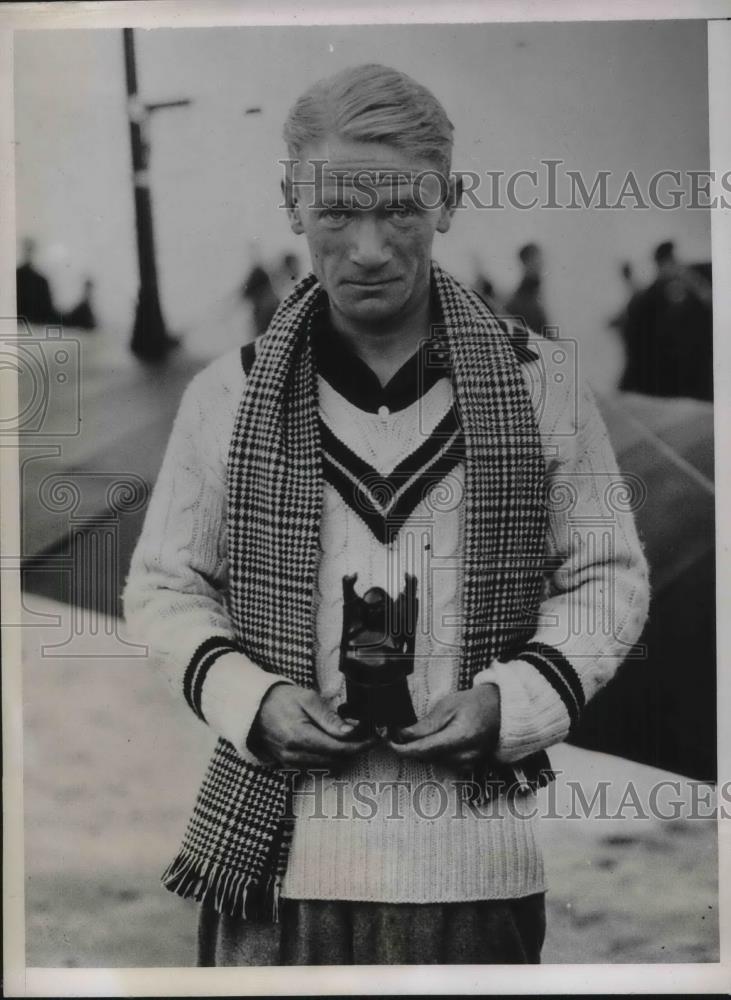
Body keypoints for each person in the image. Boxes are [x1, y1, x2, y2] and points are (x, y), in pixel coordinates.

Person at [123, 64, 649, 966]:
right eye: (335, 212)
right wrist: (251, 699)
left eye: (399, 209)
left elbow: (605, 577)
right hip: (277, 869)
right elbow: (165, 585)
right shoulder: (228, 395)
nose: (367, 248)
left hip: (474, 871)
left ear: (449, 201)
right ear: (293, 204)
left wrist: (510, 701)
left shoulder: (545, 386)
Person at [621, 241, 712, 400]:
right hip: (672, 370)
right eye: (671, 261)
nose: (676, 265)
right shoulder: (654, 293)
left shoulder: (691, 279)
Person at [504, 242, 549, 335]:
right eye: (536, 260)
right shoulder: (521, 300)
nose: (540, 265)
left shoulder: (535, 294)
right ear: (526, 263)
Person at [16, 237, 61, 326]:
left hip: (35, 326)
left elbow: (47, 309)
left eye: (30, 249)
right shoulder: (16, 275)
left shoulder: (41, 281)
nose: (28, 252)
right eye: (27, 249)